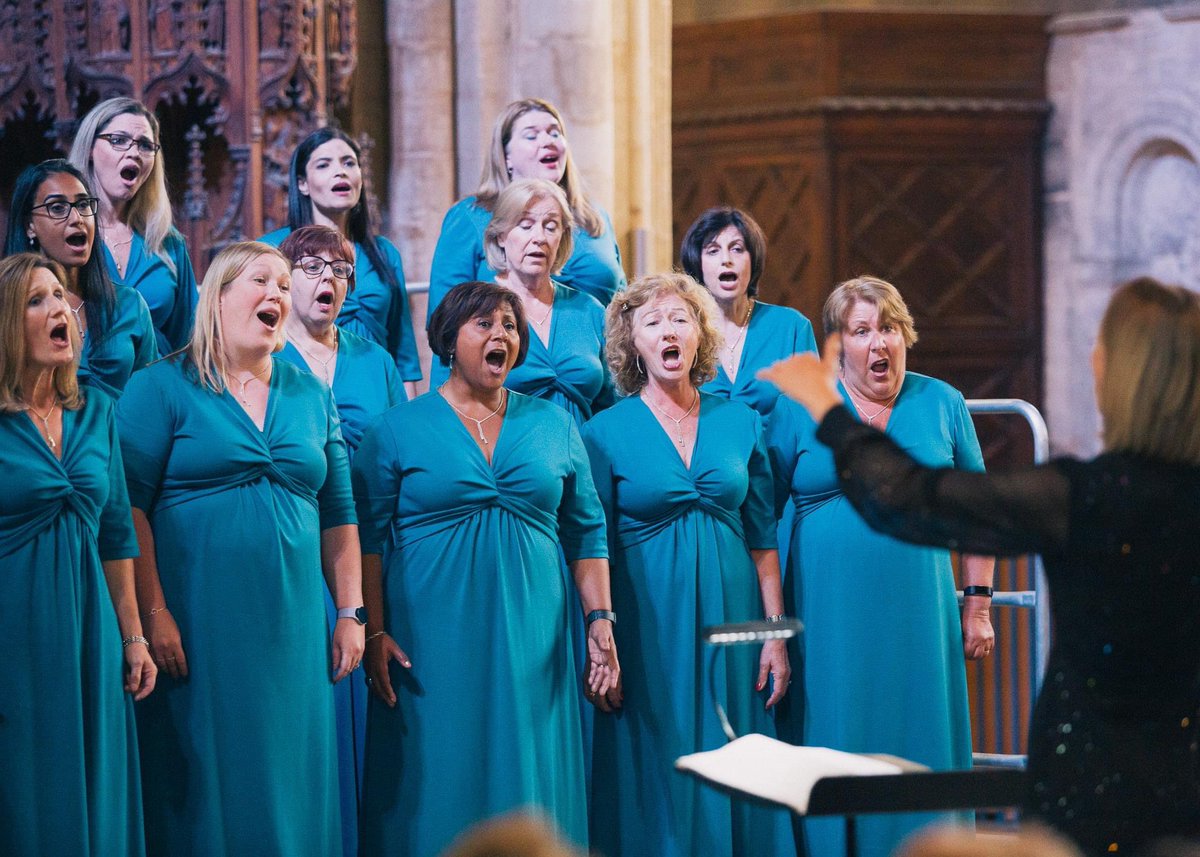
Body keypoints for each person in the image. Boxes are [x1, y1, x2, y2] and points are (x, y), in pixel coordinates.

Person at [760, 276, 1200, 855]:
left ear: (1122, 379)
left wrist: (825, 406)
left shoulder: (1082, 496)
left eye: (1102, 350)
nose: (1091, 360)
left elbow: (914, 498)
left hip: (1093, 776)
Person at [353, 280, 619, 857]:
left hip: (534, 633)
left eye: (510, 325)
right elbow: (367, 541)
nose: (502, 334)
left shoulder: (554, 424)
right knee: (438, 770)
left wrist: (600, 619)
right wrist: (372, 628)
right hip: (431, 637)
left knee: (528, 764)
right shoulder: (396, 429)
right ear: (449, 339)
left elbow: (586, 530)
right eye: (484, 324)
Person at [116, 241, 365, 855]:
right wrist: (153, 614)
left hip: (295, 624)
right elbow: (128, 510)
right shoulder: (161, 387)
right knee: (210, 782)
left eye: (285, 284)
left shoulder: (309, 394)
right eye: (262, 281)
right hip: (198, 621)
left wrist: (352, 613)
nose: (278, 295)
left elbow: (338, 510)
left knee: (293, 775)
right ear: (218, 295)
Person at [765, 275, 995, 857]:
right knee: (835, 736)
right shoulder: (801, 406)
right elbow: (757, 520)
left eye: (888, 328)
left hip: (920, 616)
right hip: (827, 615)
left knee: (921, 739)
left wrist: (979, 606)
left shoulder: (941, 402)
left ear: (905, 337)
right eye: (861, 331)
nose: (878, 344)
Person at [582, 271, 795, 857]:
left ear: (700, 335)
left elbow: (763, 539)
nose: (668, 331)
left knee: (737, 750)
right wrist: (600, 636)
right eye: (652, 322)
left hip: (733, 614)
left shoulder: (740, 420)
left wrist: (775, 636)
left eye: (680, 319)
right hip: (647, 619)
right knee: (656, 756)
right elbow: (590, 542)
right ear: (633, 345)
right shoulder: (601, 433)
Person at [0, 253, 155, 856]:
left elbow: (117, 532)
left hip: (90, 624)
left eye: (62, 298)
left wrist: (132, 636)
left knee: (94, 780)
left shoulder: (96, 411)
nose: (60, 309)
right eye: (38, 300)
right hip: (15, 628)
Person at [276, 225, 404, 857]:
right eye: (312, 265)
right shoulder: (266, 359)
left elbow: (392, 458)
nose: (328, 278)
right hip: (294, 543)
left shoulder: (374, 360)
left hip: (369, 544)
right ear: (285, 276)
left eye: (341, 269)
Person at [429, 178, 612, 417]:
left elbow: (611, 405)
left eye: (550, 226)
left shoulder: (589, 310)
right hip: (500, 451)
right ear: (501, 235)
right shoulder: (470, 311)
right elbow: (445, 403)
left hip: (582, 452)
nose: (539, 237)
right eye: (526, 225)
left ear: (562, 237)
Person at [260, 127, 421, 398]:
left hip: (373, 394)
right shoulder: (273, 250)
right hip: (295, 390)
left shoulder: (384, 253)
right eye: (324, 165)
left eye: (349, 163)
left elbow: (403, 356)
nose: (341, 171)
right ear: (302, 183)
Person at [429, 98, 626, 311]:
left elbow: (623, 302)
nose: (547, 141)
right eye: (531, 135)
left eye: (555, 132)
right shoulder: (471, 215)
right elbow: (444, 313)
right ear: (506, 158)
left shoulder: (593, 217)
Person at [6, 159, 158, 397]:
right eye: (57, 208)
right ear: (30, 226)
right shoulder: (11, 305)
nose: (77, 218)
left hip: (123, 434)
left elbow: (152, 397)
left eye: (84, 205)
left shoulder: (130, 305)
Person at [68, 97, 198, 353]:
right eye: (118, 140)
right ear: (91, 149)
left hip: (154, 385)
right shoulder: (67, 234)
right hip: (82, 387)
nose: (134, 152)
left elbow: (188, 341)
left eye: (145, 145)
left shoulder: (167, 242)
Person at [680, 205, 816, 416]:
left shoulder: (792, 327)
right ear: (698, 263)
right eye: (713, 251)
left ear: (753, 260)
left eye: (737, 249)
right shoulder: (682, 333)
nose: (726, 259)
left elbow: (812, 418)